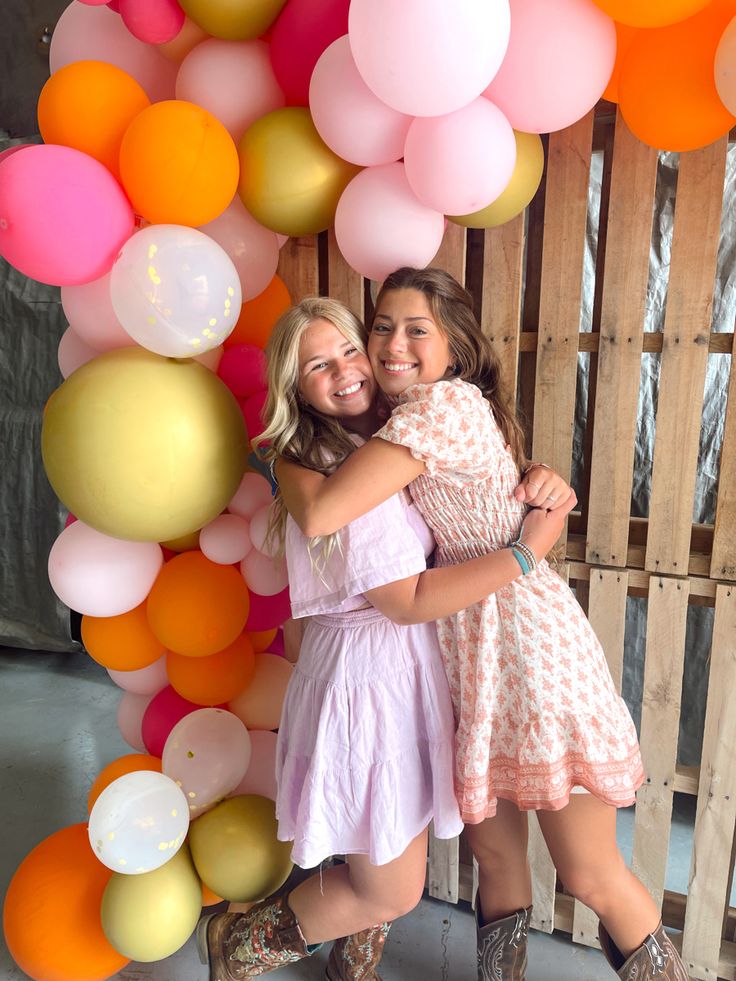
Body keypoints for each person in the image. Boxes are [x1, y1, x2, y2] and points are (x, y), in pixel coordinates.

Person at [275, 269, 689, 981]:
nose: (391, 344)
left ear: (455, 347)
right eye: (381, 326)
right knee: (495, 857)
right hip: (467, 648)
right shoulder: (411, 415)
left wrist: (277, 456)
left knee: (589, 873)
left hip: (525, 642)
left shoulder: (436, 409)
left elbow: (324, 510)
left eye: (416, 330)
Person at [197, 296, 574, 981]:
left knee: (386, 840)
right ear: (295, 386)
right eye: (318, 364)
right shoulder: (324, 464)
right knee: (392, 885)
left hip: (401, 668)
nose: (345, 371)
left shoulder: (389, 439)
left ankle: (352, 961)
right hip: (371, 676)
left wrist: (538, 479)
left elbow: (465, 496)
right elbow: (408, 600)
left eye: (348, 350)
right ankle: (241, 943)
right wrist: (526, 553)